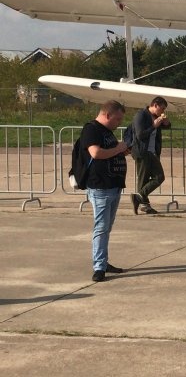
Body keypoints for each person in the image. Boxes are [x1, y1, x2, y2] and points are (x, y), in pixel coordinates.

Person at [80, 100, 132, 282]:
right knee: (101, 227)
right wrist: (117, 148)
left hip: (114, 185)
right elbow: (95, 153)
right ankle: (99, 266)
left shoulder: (107, 132)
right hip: (100, 186)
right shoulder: (91, 129)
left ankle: (103, 261)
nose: (118, 123)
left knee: (107, 227)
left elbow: (108, 150)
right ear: (107, 115)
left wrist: (121, 151)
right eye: (117, 119)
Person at [129, 97, 171, 215]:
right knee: (150, 178)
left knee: (157, 177)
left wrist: (166, 123)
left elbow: (166, 126)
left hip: (152, 152)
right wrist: (154, 126)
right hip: (142, 152)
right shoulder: (141, 115)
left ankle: (140, 199)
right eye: (162, 108)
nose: (162, 112)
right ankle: (143, 203)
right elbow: (140, 135)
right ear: (155, 105)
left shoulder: (156, 117)